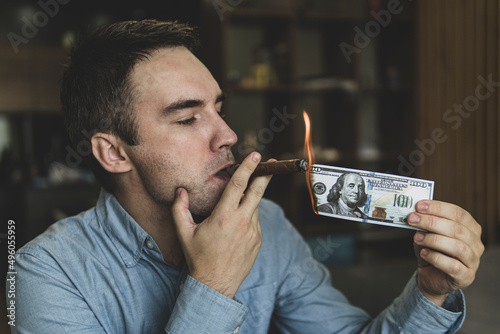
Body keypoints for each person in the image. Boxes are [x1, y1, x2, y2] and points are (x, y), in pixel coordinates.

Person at [10, 20, 484, 333]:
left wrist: (429, 293)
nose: (229, 135)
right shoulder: (45, 275)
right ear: (113, 152)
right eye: (187, 117)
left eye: (218, 108)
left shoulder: (269, 224)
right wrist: (212, 286)